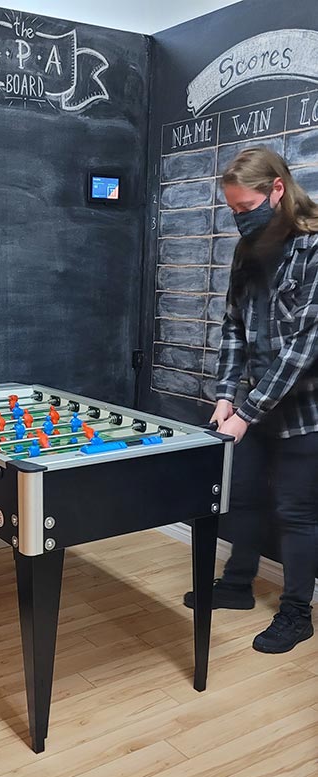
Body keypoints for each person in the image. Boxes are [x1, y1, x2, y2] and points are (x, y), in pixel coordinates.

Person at [184, 145, 318, 654]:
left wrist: (246, 410)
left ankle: (296, 614)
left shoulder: (313, 248)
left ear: (277, 191)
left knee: (296, 513)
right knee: (243, 496)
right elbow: (235, 328)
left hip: (304, 411)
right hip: (253, 404)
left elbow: (304, 347)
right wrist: (225, 397)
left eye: (245, 208)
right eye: (233, 210)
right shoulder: (248, 250)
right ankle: (237, 586)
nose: (239, 219)